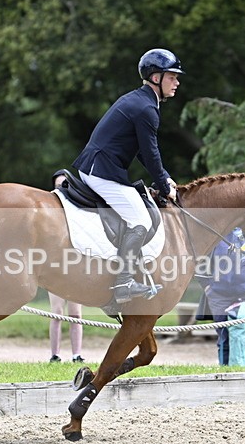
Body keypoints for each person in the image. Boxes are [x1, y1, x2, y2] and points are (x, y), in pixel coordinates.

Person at [72, 48, 181, 304]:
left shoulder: (140, 101)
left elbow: (145, 153)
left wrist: (164, 176)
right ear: (156, 77)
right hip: (101, 172)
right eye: (172, 77)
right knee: (140, 219)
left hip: (98, 167)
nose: (177, 82)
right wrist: (165, 186)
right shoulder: (146, 109)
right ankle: (123, 283)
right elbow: (151, 154)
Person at [202, 228, 245, 366]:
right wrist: (207, 286)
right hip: (219, 293)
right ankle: (224, 373)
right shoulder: (216, 231)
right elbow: (199, 259)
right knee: (223, 337)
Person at [49, 170, 84, 363]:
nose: (60, 190)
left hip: (74, 267)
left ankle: (76, 354)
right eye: (57, 186)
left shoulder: (79, 211)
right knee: (56, 313)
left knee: (76, 314)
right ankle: (55, 355)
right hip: (55, 268)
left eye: (64, 185)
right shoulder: (49, 213)